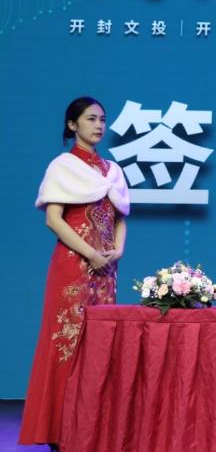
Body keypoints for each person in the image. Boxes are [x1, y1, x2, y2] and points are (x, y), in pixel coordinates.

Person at [19, 97, 130, 448]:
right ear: (72, 125)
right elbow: (54, 220)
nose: (99, 125)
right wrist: (91, 254)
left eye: (103, 119)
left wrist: (117, 251)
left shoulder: (112, 171)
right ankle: (59, 433)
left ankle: (90, 430)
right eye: (91, 119)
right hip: (73, 267)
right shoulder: (63, 166)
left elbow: (120, 218)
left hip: (105, 270)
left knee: (98, 346)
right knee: (66, 344)